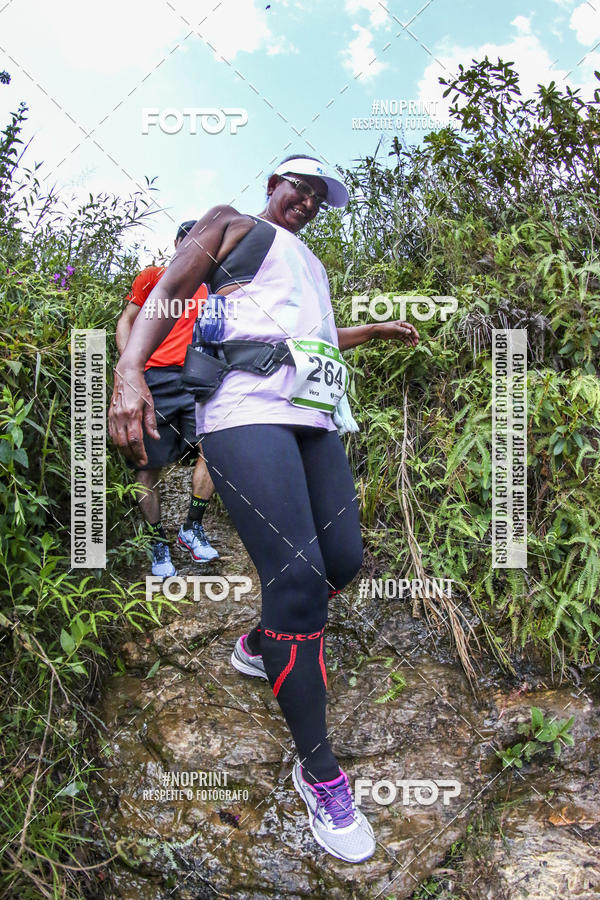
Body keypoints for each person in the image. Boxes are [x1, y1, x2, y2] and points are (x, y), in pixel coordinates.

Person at [109, 155, 419, 863]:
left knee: (342, 561)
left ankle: (258, 646)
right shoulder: (231, 224)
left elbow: (309, 340)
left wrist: (372, 332)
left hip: (313, 415)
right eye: (297, 188)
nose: (306, 202)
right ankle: (321, 774)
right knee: (300, 583)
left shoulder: (314, 267)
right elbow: (167, 291)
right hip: (246, 408)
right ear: (272, 186)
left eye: (317, 197)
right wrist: (130, 372)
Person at [115, 220, 218, 578]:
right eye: (189, 242)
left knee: (215, 448)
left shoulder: (211, 288)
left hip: (198, 376)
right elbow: (125, 321)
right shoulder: (153, 277)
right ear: (176, 243)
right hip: (153, 377)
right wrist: (130, 369)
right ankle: (158, 541)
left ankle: (192, 527)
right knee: (146, 464)